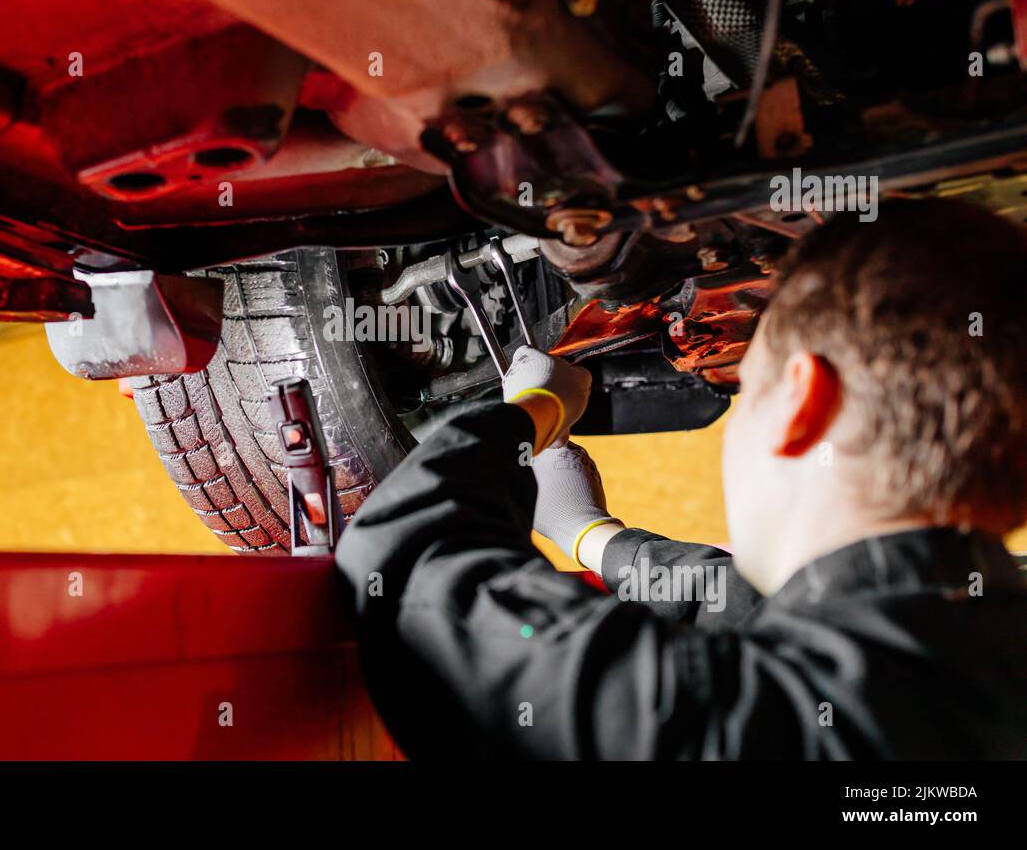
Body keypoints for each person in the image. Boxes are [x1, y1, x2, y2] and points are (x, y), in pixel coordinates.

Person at [334, 199, 1027, 759]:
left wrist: (534, 417)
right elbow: (777, 609)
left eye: (747, 389)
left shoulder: (716, 728)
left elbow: (411, 563)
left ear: (798, 404)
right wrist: (594, 539)